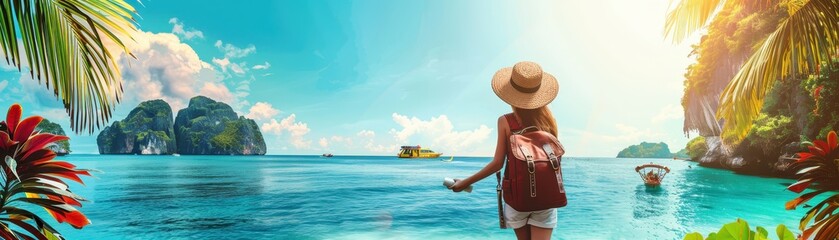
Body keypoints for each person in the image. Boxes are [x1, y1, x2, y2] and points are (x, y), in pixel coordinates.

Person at [449, 61, 560, 240]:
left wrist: (464, 183)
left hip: (517, 198)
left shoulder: (506, 121)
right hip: (546, 198)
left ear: (511, 94)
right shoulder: (549, 122)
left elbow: (497, 164)